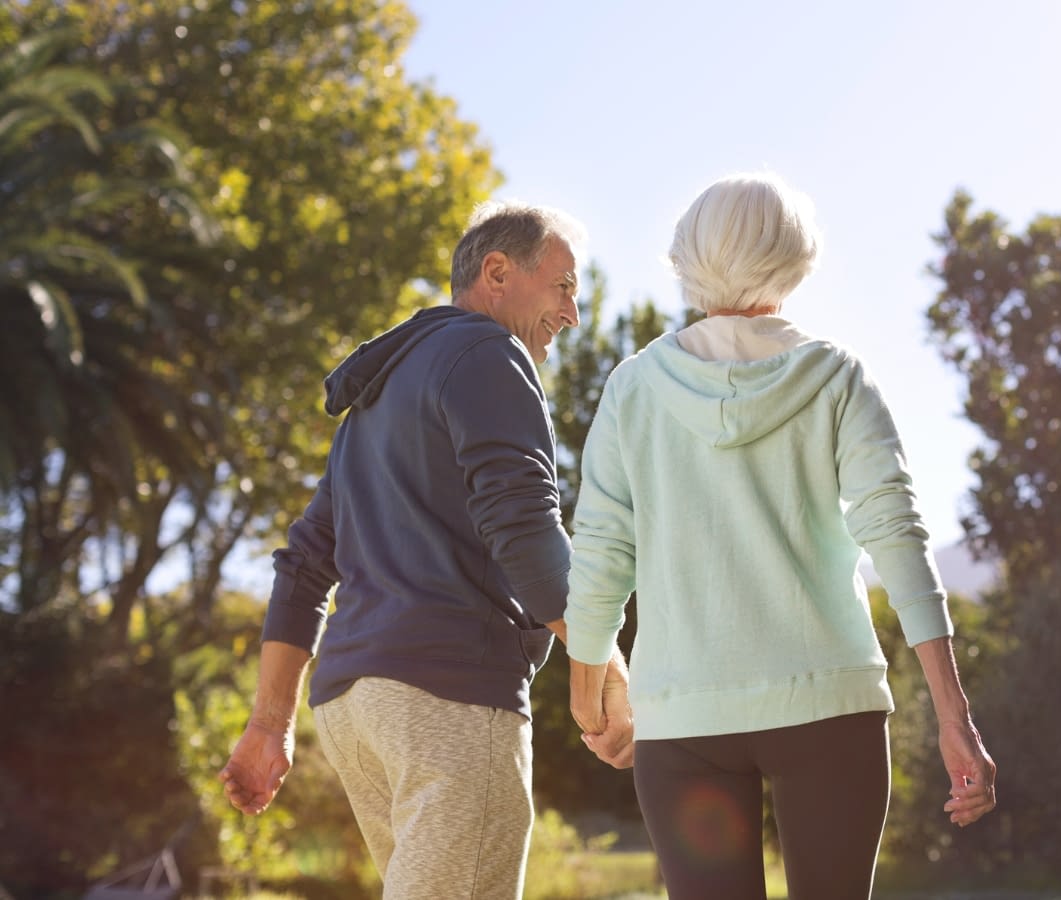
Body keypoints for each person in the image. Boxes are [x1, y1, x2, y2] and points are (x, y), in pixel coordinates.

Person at [561, 172, 996, 899]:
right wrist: (956, 718)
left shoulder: (633, 389)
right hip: (828, 706)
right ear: (796, 257)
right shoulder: (836, 377)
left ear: (687, 257)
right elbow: (897, 534)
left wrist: (589, 697)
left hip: (684, 717)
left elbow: (603, 554)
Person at [219, 201, 634, 900]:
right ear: (497, 272)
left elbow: (304, 563)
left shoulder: (375, 401)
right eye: (563, 287)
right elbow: (525, 530)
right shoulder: (489, 354)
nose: (572, 315)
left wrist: (269, 723)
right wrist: (606, 661)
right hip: (449, 696)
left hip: (355, 708)